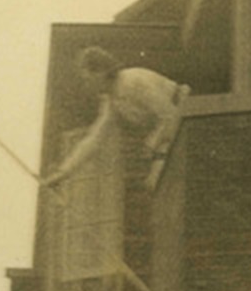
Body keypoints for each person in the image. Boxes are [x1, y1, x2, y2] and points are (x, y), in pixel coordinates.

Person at [42, 46, 190, 188]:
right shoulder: (111, 100)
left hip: (188, 115)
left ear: (100, 72)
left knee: (160, 182)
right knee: (153, 183)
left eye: (88, 79)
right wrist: (62, 173)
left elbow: (171, 114)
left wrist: (153, 141)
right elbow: (94, 139)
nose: (86, 85)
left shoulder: (133, 81)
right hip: (170, 135)